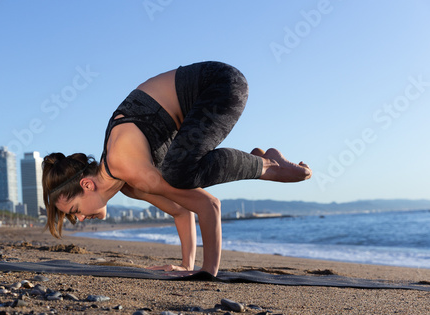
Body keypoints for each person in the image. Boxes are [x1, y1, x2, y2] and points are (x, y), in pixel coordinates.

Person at [42, 61, 312, 277]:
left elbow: (209, 205)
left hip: (220, 85)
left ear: (87, 185)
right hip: (200, 100)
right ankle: (264, 160)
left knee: (178, 174)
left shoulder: (128, 167)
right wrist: (186, 265)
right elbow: (180, 210)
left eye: (75, 211)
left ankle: (268, 166)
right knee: (177, 175)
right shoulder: (129, 185)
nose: (78, 219)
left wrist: (207, 272)